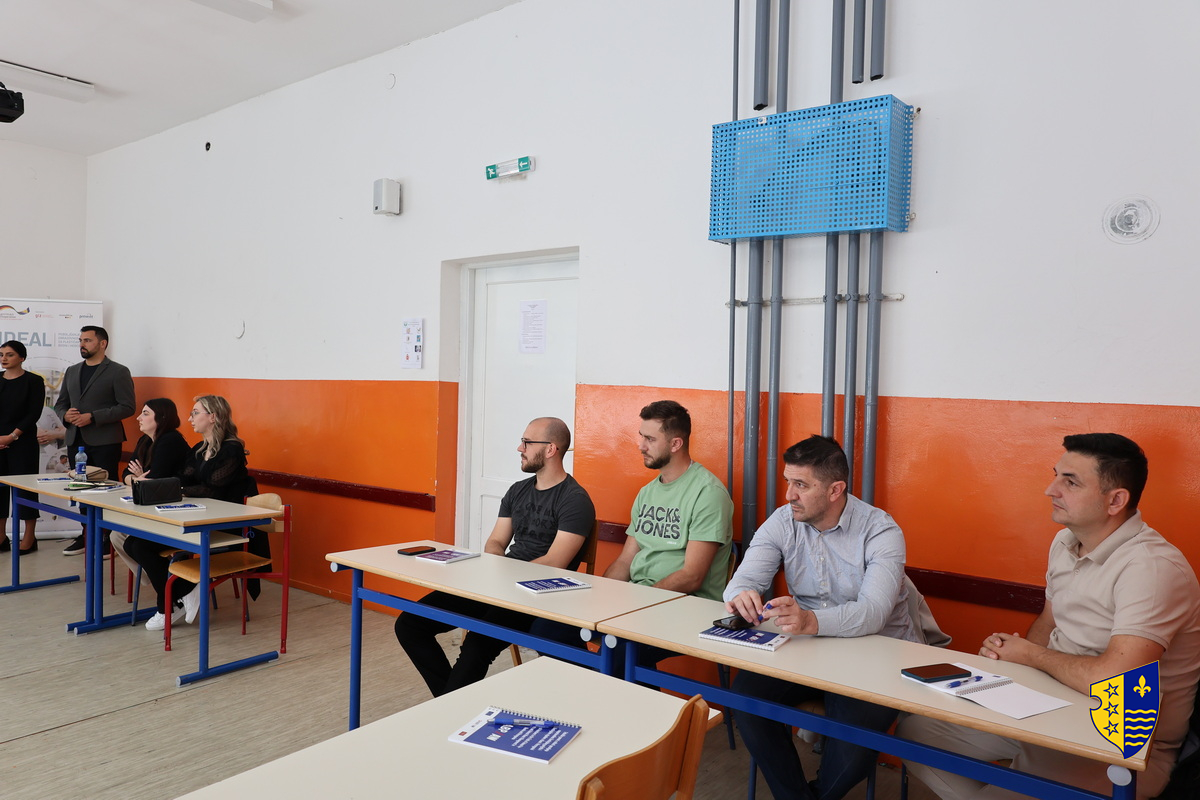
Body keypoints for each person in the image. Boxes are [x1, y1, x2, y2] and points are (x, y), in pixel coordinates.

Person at [898, 433, 1200, 800]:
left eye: (1070, 482)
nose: (1050, 490)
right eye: (1056, 475)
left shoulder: (1152, 567)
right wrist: (1010, 660)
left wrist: (1030, 655)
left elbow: (1115, 679)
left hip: (1121, 739)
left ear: (1115, 501)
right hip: (1049, 706)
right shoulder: (1065, 542)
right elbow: (1048, 622)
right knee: (917, 733)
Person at [725, 434, 918, 800]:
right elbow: (744, 579)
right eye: (788, 482)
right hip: (810, 651)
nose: (788, 495)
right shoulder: (783, 521)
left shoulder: (881, 530)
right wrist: (741, 594)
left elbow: (873, 613)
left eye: (801, 485)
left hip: (877, 656)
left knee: (853, 746)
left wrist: (810, 622)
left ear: (835, 490)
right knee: (746, 697)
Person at [395, 417, 595, 697]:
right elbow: (496, 542)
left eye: (527, 442)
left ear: (551, 449)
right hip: (498, 585)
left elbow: (554, 563)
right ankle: (450, 703)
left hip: (536, 596)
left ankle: (450, 708)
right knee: (410, 624)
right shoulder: (518, 490)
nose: (519, 448)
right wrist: (495, 572)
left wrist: (505, 579)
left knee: (478, 644)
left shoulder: (574, 499)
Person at [531, 400, 733, 662]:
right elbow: (625, 561)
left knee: (619, 650)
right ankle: (596, 681)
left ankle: (606, 681)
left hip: (686, 607)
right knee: (546, 628)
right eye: (641, 436)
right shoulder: (647, 492)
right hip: (641, 601)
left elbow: (691, 576)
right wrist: (599, 597)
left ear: (675, 444)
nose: (640, 445)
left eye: (650, 439)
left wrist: (637, 603)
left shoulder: (708, 494)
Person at [124, 395, 256, 628]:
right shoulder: (198, 449)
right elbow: (182, 479)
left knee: (141, 546)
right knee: (134, 543)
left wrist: (178, 489)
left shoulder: (232, 450)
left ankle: (168, 604)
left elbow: (212, 489)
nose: (190, 418)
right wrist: (173, 487)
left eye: (195, 413)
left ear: (213, 417)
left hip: (224, 526)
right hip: (195, 519)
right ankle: (184, 590)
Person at [53, 326, 136, 555]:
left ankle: (108, 538)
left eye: (87, 340)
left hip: (105, 441)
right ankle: (87, 535)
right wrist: (65, 415)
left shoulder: (118, 371)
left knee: (106, 490)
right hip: (75, 440)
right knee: (81, 489)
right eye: (80, 340)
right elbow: (61, 404)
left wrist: (93, 416)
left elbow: (127, 406)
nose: (82, 344)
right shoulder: (72, 371)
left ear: (102, 343)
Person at [112, 398, 191, 630]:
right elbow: (127, 475)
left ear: (161, 417)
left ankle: (171, 595)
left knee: (135, 544)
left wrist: (139, 480)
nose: (138, 417)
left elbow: (155, 480)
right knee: (118, 536)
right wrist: (136, 479)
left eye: (145, 413)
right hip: (155, 511)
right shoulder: (145, 441)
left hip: (176, 515)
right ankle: (170, 584)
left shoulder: (170, 440)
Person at [0, 341, 46, 554]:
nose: (4, 358)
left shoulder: (33, 381)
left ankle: (29, 538)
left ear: (22, 358)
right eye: (1, 354)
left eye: (9, 354)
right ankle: (1, 537)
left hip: (23, 443)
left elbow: (33, 413)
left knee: (26, 491)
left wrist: (12, 436)